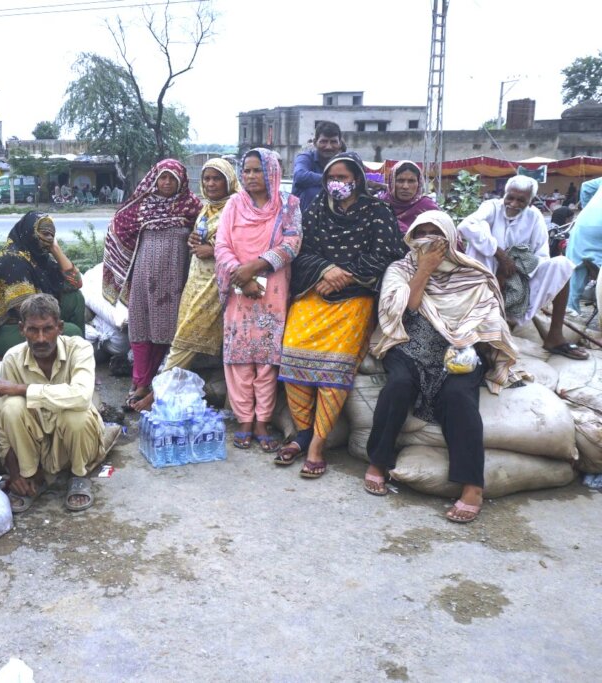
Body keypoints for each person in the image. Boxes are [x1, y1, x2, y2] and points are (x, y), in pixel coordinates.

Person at [366, 211, 519, 523]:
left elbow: (488, 317)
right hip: (409, 346)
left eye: (434, 234)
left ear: (449, 238)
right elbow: (405, 306)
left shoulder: (471, 273)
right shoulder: (400, 269)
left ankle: (472, 486)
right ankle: (378, 462)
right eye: (419, 233)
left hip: (459, 353)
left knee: (459, 398)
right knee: (397, 387)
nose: (427, 240)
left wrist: (464, 336)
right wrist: (424, 269)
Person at [277, 152, 407, 477]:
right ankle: (303, 432)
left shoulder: (377, 211)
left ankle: (318, 444)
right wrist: (326, 270)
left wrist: (345, 275)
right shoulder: (318, 208)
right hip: (317, 290)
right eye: (331, 177)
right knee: (291, 353)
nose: (337, 183)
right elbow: (302, 250)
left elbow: (388, 253)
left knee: (335, 368)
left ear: (358, 179)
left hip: (356, 296)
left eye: (344, 177)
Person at [128, 157, 239, 413]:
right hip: (194, 280)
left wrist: (212, 249)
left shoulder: (235, 207)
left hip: (217, 282)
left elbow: (245, 244)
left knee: (184, 339)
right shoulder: (207, 207)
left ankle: (155, 394)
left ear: (229, 180)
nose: (211, 184)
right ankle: (149, 385)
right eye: (207, 178)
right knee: (179, 335)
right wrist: (192, 240)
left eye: (217, 178)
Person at [0, 294, 105, 513]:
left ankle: (79, 475)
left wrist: (22, 389)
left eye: (47, 329)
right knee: (10, 406)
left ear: (60, 327)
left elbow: (81, 396)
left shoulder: (80, 349)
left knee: (76, 413)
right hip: (37, 447)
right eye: (32, 330)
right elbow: (3, 422)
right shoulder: (12, 358)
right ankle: (30, 476)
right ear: (22, 329)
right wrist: (14, 472)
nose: (40, 338)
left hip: (74, 442)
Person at [215, 149, 301, 450]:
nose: (251, 177)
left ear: (272, 172)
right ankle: (244, 420)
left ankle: (263, 420)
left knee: (267, 358)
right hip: (239, 287)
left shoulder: (289, 205)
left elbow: (292, 243)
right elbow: (222, 245)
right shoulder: (234, 205)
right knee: (239, 356)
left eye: (257, 170)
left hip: (273, 288)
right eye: (247, 171)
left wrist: (257, 265)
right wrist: (242, 275)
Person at [102, 159, 202, 409]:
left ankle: (154, 384)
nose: (166, 183)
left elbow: (205, 234)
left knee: (166, 332)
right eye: (162, 177)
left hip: (175, 279)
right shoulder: (142, 205)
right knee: (141, 329)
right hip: (145, 277)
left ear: (181, 180)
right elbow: (118, 227)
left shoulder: (191, 207)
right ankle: (139, 382)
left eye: (172, 178)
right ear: (155, 179)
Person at [458, 175, 587, 360]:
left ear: (531, 201)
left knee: (561, 265)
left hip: (517, 279)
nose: (513, 203)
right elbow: (466, 226)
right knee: (481, 230)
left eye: (521, 200)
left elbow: (541, 256)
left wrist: (513, 267)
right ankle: (489, 328)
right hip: (482, 278)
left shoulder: (534, 217)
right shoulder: (491, 207)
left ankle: (555, 337)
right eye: (510, 197)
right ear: (504, 195)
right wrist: (499, 253)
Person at [0, 211, 85, 361]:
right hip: (7, 329)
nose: (48, 239)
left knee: (75, 297)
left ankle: (77, 360)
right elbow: (30, 312)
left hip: (37, 319)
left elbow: (76, 282)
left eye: (51, 235)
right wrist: (57, 327)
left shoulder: (39, 259)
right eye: (44, 234)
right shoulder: (11, 260)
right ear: (30, 232)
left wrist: (56, 250)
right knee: (72, 333)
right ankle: (69, 360)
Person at [565, 177, 602, 316]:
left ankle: (571, 312)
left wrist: (588, 208)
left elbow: (586, 186)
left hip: (585, 222)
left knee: (575, 270)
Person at [291, 121, 345, 213]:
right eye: (324, 141)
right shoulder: (305, 157)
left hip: (335, 223)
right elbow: (299, 176)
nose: (328, 147)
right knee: (313, 192)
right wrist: (333, 180)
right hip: (301, 222)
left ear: (340, 144)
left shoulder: (343, 163)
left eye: (333, 142)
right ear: (315, 142)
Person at [377, 160, 441, 234]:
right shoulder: (379, 206)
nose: (405, 186)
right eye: (400, 181)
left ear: (419, 183)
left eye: (411, 181)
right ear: (392, 182)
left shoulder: (429, 209)